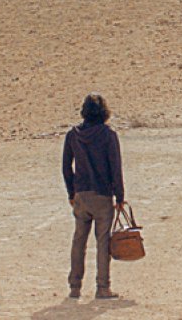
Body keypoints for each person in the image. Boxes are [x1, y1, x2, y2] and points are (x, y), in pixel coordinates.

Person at [62, 93, 125, 300]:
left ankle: (74, 287)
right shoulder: (108, 135)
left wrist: (71, 192)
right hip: (102, 195)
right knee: (102, 242)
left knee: (79, 240)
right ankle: (102, 287)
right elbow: (115, 168)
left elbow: (66, 167)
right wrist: (119, 196)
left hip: (81, 194)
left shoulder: (73, 135)